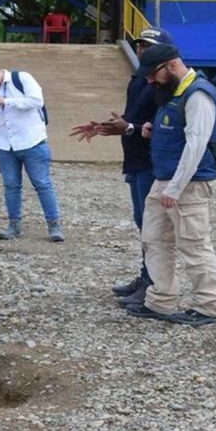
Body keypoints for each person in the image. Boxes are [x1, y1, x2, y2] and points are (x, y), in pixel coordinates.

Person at [69, 27, 172, 307]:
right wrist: (106, 126)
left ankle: (154, 285)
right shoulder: (138, 80)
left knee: (153, 227)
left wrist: (128, 128)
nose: (141, 50)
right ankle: (146, 277)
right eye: (139, 45)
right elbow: (132, 119)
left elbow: (160, 128)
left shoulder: (165, 85)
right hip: (135, 161)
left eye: (148, 46)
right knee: (142, 224)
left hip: (153, 163)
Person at [126, 43, 216, 327]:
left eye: (152, 74)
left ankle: (207, 307)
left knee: (194, 245)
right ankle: (161, 300)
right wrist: (151, 130)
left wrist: (175, 188)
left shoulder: (199, 94)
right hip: (164, 179)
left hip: (188, 185)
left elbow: (196, 144)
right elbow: (178, 131)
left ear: (171, 65)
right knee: (154, 238)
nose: (149, 80)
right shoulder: (173, 92)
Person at [0, 65, 64, 242]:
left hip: (32, 142)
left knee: (42, 184)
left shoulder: (21, 79)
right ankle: (14, 225)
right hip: (5, 146)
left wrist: (4, 101)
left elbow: (36, 101)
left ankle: (54, 225)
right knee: (11, 186)